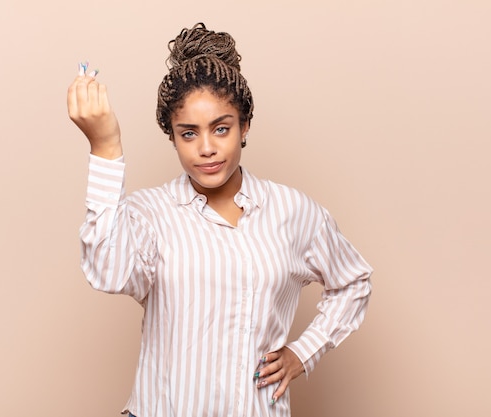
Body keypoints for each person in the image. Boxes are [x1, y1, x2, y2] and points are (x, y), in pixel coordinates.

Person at [67, 23, 372, 417]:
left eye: (221, 129)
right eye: (189, 133)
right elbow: (107, 270)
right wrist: (105, 146)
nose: (206, 149)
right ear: (172, 137)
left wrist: (303, 352)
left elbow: (353, 280)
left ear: (245, 127)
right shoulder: (150, 214)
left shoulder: (292, 211)